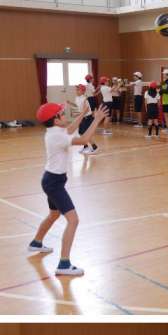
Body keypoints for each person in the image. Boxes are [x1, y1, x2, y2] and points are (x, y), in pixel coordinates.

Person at [28, 101, 107, 276]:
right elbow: (84, 140)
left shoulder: (55, 131)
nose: (65, 115)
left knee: (54, 214)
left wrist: (83, 113)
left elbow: (70, 129)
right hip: (54, 183)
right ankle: (64, 264)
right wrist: (96, 120)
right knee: (73, 220)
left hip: (51, 180)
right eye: (62, 114)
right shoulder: (56, 136)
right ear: (56, 120)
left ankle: (36, 242)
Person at [66, 84, 98, 155]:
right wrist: (70, 103)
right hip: (82, 117)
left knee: (86, 134)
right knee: (81, 133)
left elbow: (86, 110)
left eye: (78, 90)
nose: (76, 91)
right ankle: (85, 147)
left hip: (87, 118)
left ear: (83, 91)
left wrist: (77, 115)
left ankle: (95, 147)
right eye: (76, 89)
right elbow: (77, 105)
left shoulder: (84, 99)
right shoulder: (77, 98)